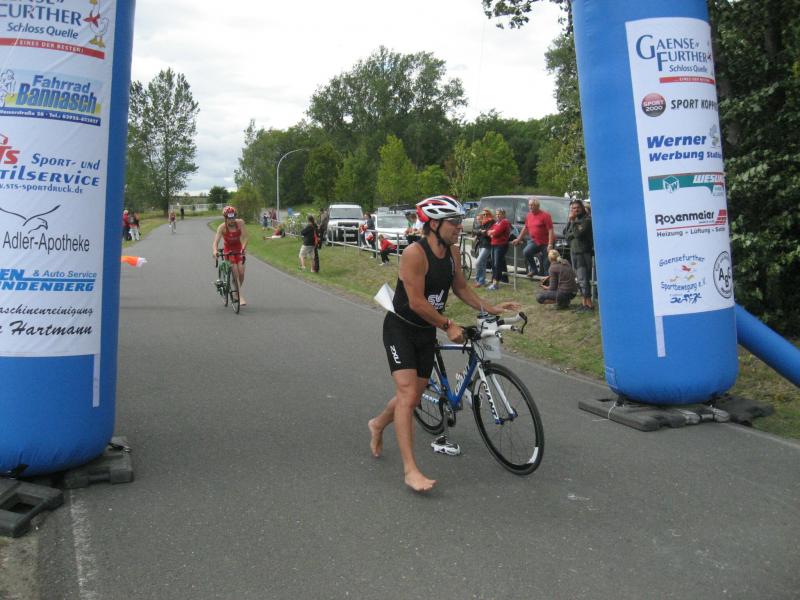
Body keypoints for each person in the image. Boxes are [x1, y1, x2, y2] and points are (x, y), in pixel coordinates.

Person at [368, 195, 521, 492]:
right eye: (454, 222)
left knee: (413, 396)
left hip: (426, 331)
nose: (459, 227)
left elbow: (460, 287)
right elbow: (416, 302)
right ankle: (410, 470)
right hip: (401, 329)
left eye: (459, 221)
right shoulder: (415, 253)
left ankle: (377, 424)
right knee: (407, 392)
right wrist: (448, 325)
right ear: (434, 224)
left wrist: (490, 308)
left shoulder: (452, 252)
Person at [212, 206, 249, 305]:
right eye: (229, 218)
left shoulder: (240, 223)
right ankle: (239, 296)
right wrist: (215, 251)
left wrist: (243, 248)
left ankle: (236, 292)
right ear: (225, 218)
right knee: (235, 272)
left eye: (233, 218)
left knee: (241, 272)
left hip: (239, 249)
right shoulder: (222, 227)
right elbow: (215, 242)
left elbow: (245, 237)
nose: (232, 220)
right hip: (228, 251)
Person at [511, 197, 555, 277]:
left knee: (546, 263)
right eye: (529, 205)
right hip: (534, 241)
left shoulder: (545, 215)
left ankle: (547, 280)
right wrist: (518, 239)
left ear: (537, 206)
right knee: (526, 252)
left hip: (546, 242)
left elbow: (550, 230)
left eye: (532, 205)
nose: (530, 207)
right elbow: (526, 228)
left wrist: (550, 244)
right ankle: (534, 269)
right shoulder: (529, 215)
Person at [563, 199, 595, 312]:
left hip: (583, 253)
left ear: (582, 208)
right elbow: (565, 234)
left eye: (577, 208)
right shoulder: (575, 221)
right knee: (579, 279)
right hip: (574, 252)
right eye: (573, 208)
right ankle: (583, 303)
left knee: (583, 279)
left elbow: (577, 234)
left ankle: (589, 305)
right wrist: (571, 223)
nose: (575, 210)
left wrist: (573, 223)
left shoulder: (587, 220)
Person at [486, 208, 511, 290]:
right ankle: (495, 281)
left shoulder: (504, 222)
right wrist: (492, 232)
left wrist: (492, 232)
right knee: (493, 263)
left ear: (503, 215)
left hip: (501, 245)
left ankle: (496, 284)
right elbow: (488, 231)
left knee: (497, 264)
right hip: (494, 244)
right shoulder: (496, 223)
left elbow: (497, 232)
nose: (497, 216)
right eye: (496, 214)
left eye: (499, 214)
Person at [472, 209, 494, 287]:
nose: (485, 216)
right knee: (483, 264)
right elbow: (474, 231)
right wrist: (480, 232)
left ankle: (478, 280)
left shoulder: (492, 222)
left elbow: (489, 232)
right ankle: (482, 281)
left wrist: (482, 232)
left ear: (489, 214)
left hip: (487, 245)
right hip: (481, 244)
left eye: (486, 214)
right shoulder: (482, 223)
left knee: (478, 262)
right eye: (483, 214)